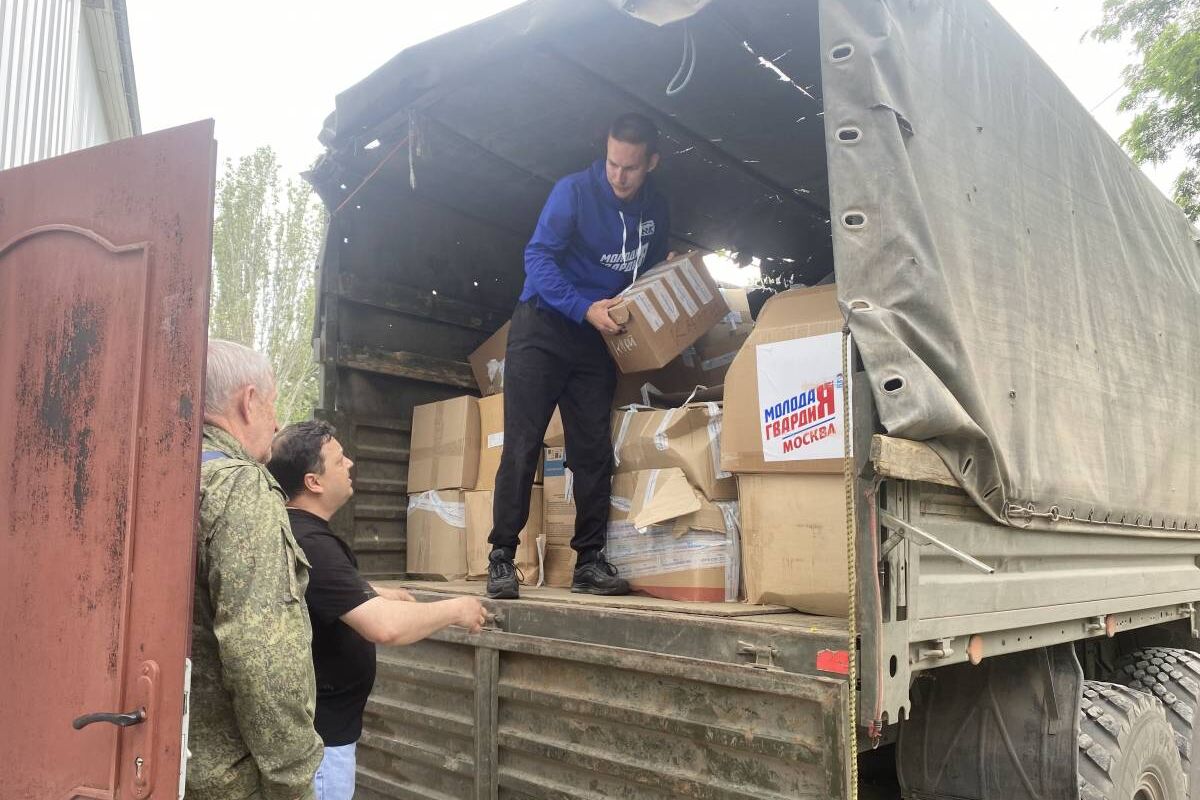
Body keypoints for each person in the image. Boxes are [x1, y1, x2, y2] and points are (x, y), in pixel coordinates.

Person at [487, 112, 672, 600]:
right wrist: (581, 307)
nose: (619, 176)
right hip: (544, 327)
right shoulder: (573, 192)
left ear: (651, 162)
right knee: (523, 444)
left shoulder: (657, 210)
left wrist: (664, 274)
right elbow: (537, 258)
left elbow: (649, 268)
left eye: (630, 167)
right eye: (612, 163)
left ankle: (589, 561)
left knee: (592, 450)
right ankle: (502, 558)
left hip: (596, 337)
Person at [268, 420, 487, 800]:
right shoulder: (312, 541)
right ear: (313, 482)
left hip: (322, 733)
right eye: (338, 461)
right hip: (322, 745)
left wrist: (372, 591)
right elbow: (384, 628)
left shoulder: (294, 531)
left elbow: (321, 590)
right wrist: (457, 608)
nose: (350, 463)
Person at [187, 339, 322, 800]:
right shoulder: (241, 487)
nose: (278, 421)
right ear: (248, 402)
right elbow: (263, 658)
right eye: (272, 404)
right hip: (230, 781)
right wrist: (293, 784)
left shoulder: (160, 471)